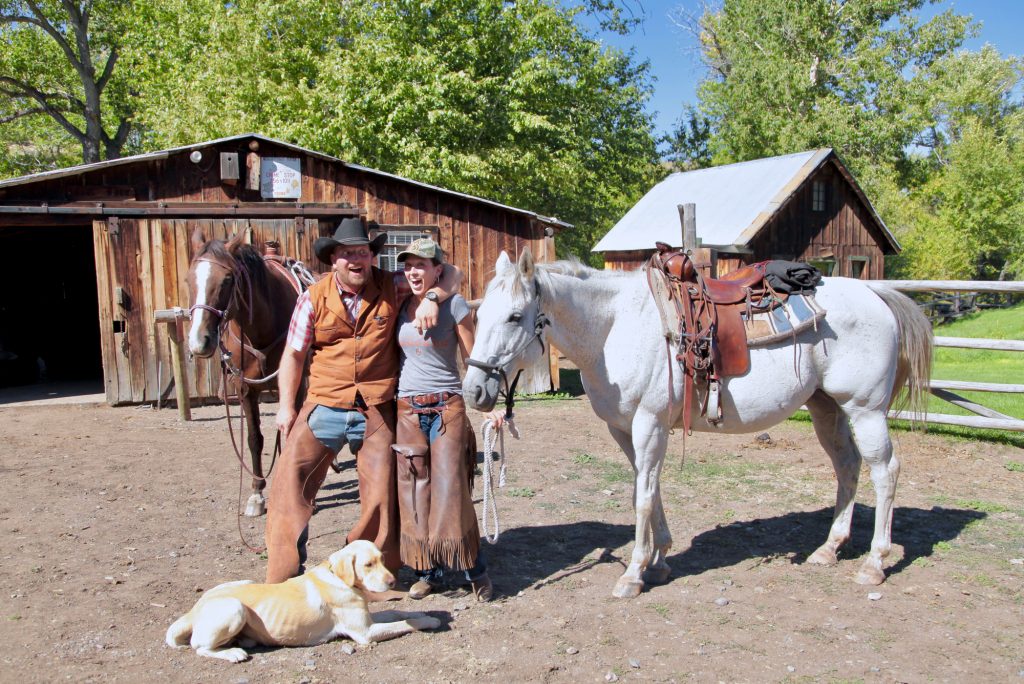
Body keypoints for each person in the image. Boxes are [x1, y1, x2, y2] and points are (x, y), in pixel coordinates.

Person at [264, 218, 461, 584]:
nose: (356, 259)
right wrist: (286, 406)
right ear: (333, 259)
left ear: (372, 257)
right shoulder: (312, 298)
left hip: (375, 406)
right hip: (323, 403)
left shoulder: (393, 286)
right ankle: (283, 576)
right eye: (347, 253)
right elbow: (292, 355)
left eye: (363, 252)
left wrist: (433, 297)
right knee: (289, 482)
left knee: (382, 493)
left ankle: (371, 574)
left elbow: (452, 271)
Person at [392, 238, 499, 602]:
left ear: (437, 269)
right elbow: (449, 272)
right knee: (413, 492)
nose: (413, 272)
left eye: (421, 264)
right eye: (408, 266)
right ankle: (426, 571)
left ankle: (474, 568)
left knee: (451, 490)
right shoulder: (399, 302)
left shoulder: (454, 305)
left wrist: (490, 405)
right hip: (407, 409)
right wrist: (424, 295)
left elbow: (475, 356)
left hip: (447, 406)